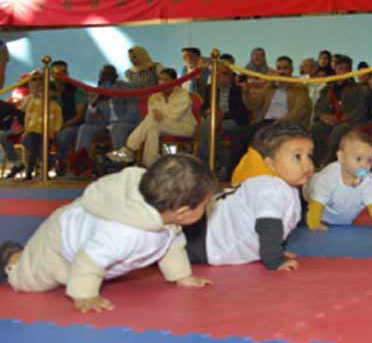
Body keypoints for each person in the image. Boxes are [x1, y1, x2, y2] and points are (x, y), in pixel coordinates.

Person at [0, 154, 217, 313]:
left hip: (89, 243)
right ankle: (11, 255)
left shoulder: (163, 214)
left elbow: (172, 244)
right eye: (204, 205)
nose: (207, 208)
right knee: (27, 281)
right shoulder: (123, 233)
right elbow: (88, 261)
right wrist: (85, 296)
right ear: (182, 212)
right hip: (58, 242)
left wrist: (181, 276)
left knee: (74, 272)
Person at [183, 123, 313, 271]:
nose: (307, 163)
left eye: (309, 155)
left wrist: (278, 249)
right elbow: (268, 226)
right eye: (297, 157)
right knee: (165, 250)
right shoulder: (270, 189)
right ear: (270, 164)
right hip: (204, 238)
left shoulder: (287, 188)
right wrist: (275, 258)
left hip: (206, 228)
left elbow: (283, 224)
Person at [305, 130, 372, 231]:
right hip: (310, 195)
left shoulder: (368, 179)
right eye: (358, 159)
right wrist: (314, 223)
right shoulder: (328, 177)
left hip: (341, 215)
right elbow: (317, 203)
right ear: (341, 157)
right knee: (311, 187)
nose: (364, 165)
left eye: (369, 160)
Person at [107, 68, 197, 167]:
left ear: (174, 81)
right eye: (160, 79)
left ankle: (129, 149)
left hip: (184, 127)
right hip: (160, 125)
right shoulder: (154, 96)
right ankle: (150, 165)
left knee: (153, 120)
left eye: (166, 79)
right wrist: (158, 115)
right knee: (152, 130)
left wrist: (159, 114)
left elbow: (174, 116)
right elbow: (153, 114)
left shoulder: (183, 94)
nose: (162, 82)